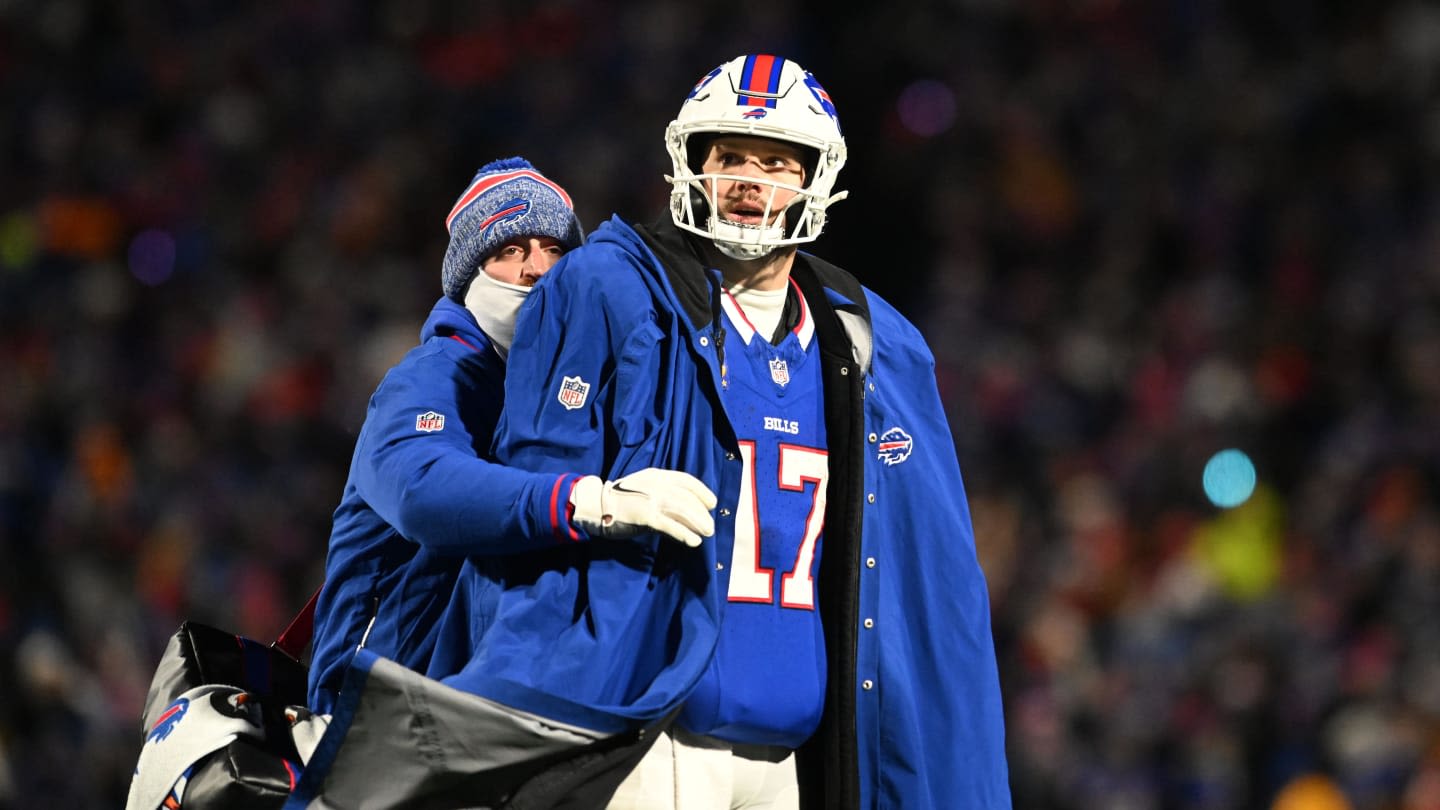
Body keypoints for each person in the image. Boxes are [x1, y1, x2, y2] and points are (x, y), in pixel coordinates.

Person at [429, 53, 1012, 808]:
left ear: (815, 179)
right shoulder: (613, 289)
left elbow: (922, 581)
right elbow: (515, 519)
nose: (747, 179)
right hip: (651, 737)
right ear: (689, 164)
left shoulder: (867, 342)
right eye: (729, 156)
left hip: (790, 752)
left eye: (775, 161)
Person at [305, 156, 717, 716]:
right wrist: (587, 500)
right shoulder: (431, 379)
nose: (537, 269)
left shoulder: (573, 384)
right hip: (380, 700)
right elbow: (421, 492)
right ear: (468, 274)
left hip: (487, 690)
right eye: (510, 251)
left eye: (553, 249)